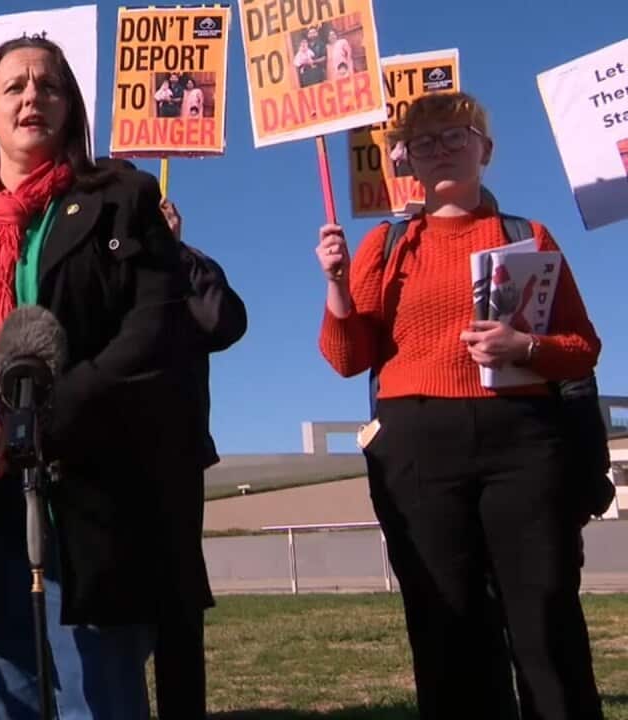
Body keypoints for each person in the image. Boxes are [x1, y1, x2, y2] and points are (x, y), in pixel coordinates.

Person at [0, 36, 199, 719]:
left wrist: (41, 422)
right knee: (1, 700)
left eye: (49, 86)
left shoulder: (120, 198)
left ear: (70, 109)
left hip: (85, 499)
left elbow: (151, 332)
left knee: (99, 697)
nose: (32, 97)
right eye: (15, 87)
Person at [315, 91, 603, 718]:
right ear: (406, 163)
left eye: (455, 136)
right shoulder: (386, 246)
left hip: (522, 442)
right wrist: (336, 284)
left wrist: (523, 344)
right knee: (446, 622)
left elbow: (582, 348)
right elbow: (345, 357)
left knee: (545, 612)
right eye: (424, 141)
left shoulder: (527, 236)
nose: (440, 149)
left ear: (485, 150)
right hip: (417, 446)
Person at [155, 198, 246, 719]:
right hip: (99, 457)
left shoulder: (184, 265)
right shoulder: (95, 260)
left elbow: (222, 322)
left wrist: (176, 253)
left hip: (173, 457)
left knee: (179, 605)